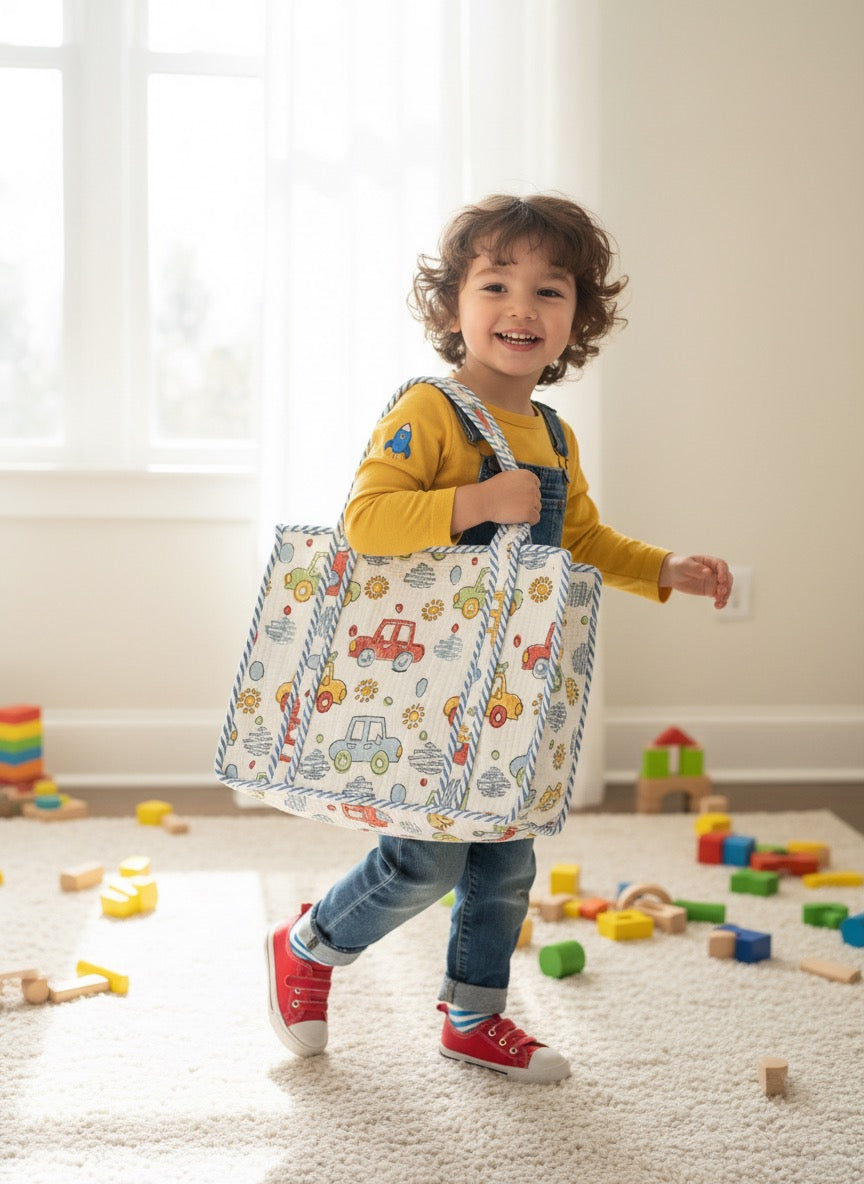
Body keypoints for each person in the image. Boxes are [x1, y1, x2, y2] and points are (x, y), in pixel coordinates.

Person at [265, 193, 732, 1083]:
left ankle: (473, 1016)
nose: (522, 308)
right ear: (452, 308)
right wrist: (476, 501)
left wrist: (665, 569)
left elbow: (581, 540)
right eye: (496, 284)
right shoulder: (428, 413)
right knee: (427, 856)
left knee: (505, 864)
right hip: (424, 679)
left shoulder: (553, 434)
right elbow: (367, 522)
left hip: (513, 686)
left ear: (575, 322)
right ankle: (310, 944)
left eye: (550, 291)